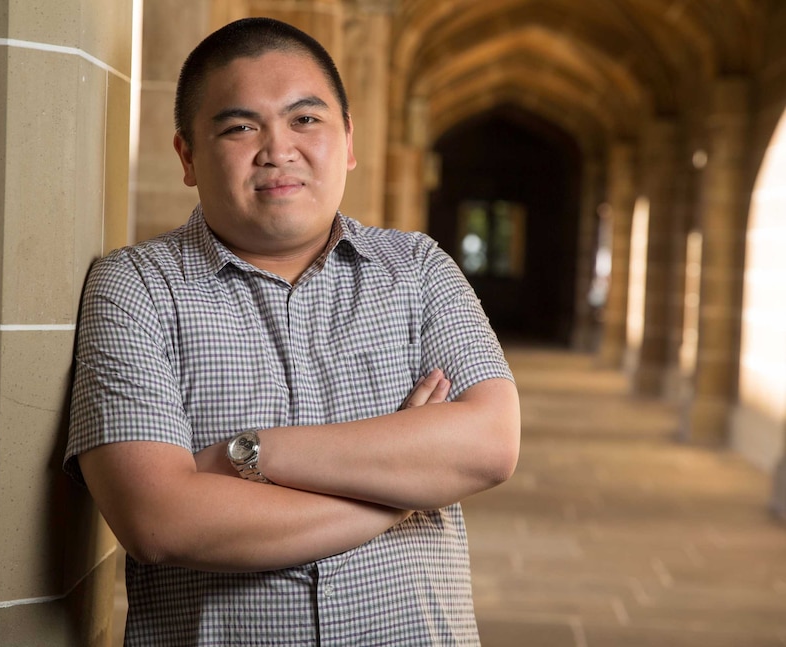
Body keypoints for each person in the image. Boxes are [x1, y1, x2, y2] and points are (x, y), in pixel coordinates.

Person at [65, 16, 520, 646]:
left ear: (350, 141)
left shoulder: (417, 269)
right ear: (187, 156)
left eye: (305, 119)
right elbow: (158, 521)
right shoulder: (136, 288)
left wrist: (248, 455)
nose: (278, 149)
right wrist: (399, 492)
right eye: (240, 126)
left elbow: (492, 442)